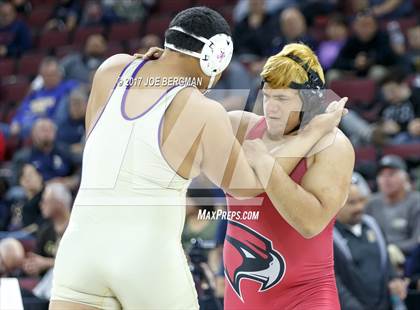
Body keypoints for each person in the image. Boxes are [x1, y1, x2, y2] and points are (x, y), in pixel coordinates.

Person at [49, 7, 346, 310]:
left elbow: (99, 139)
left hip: (79, 251)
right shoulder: (201, 110)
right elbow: (249, 187)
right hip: (144, 259)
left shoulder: (111, 70)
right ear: (216, 58)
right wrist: (310, 134)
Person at [223, 43, 354, 309]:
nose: (270, 108)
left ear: (309, 100)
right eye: (268, 96)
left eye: (282, 99)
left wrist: (266, 162)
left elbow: (309, 224)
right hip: (241, 297)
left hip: (306, 297)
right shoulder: (240, 126)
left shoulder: (331, 146)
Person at [334, 172, 408, 310]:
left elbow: (386, 262)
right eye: (352, 203)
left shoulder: (372, 225)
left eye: (361, 200)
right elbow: (334, 283)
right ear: (336, 204)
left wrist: (394, 279)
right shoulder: (329, 237)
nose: (359, 207)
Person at [366, 155, 420, 257]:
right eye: (381, 175)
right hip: (377, 257)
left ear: (405, 177)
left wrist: (392, 249)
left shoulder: (416, 202)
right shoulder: (371, 203)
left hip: (408, 259)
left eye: (391, 174)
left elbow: (417, 241)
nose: (386, 179)